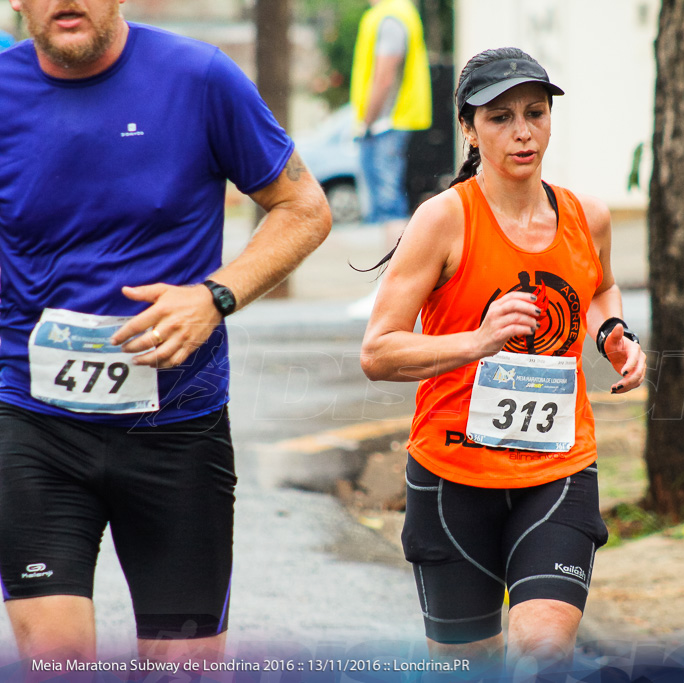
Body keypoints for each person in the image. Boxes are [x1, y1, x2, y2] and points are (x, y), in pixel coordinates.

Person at [0, 0, 331, 665]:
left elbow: (304, 208)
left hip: (177, 424)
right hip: (33, 421)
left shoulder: (200, 78)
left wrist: (215, 296)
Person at [360, 47, 647, 678]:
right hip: (452, 474)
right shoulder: (443, 221)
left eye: (536, 114)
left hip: (557, 469)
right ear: (468, 127)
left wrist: (614, 334)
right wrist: (477, 341)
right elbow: (378, 352)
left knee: (544, 649)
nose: (523, 132)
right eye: (500, 117)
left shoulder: (585, 215)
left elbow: (598, 286)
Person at [346, 0, 431, 319]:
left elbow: (384, 75)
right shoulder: (402, 12)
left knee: (389, 204)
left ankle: (392, 291)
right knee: (391, 203)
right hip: (392, 123)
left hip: (384, 125)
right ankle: (396, 289)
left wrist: (366, 122)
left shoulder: (390, 16)